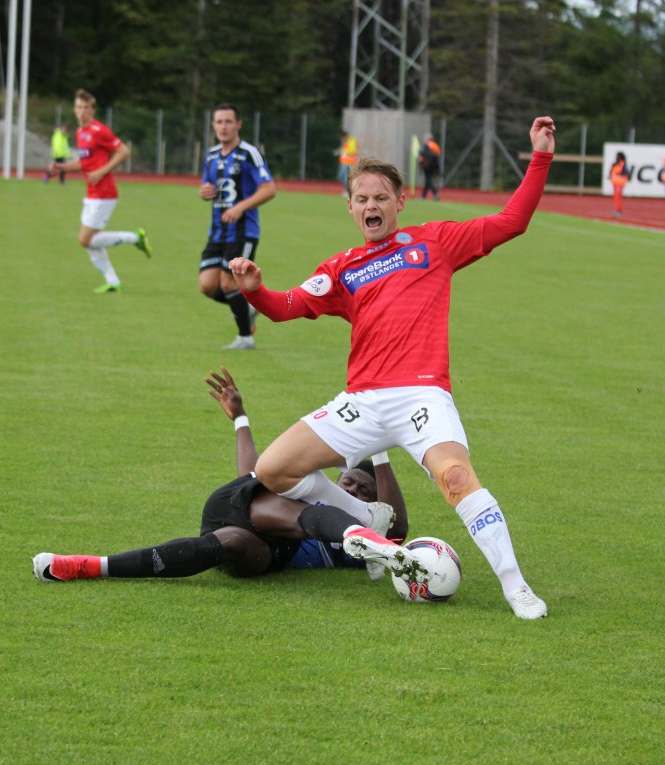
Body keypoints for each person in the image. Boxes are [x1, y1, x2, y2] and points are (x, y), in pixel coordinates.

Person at [227, 117, 559, 620]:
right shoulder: (341, 268)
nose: (371, 206)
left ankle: (517, 588)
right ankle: (367, 517)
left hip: (421, 395)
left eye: (381, 197)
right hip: (362, 401)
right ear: (350, 207)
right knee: (272, 470)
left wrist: (540, 156)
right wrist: (255, 291)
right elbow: (286, 305)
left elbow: (512, 221)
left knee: (456, 478)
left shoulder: (436, 242)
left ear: (400, 202)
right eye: (362, 199)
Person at [32, 368, 421, 584]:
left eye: (362, 490)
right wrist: (240, 419)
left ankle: (90, 565)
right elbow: (252, 473)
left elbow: (399, 525)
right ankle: (367, 530)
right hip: (240, 502)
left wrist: (379, 449)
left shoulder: (352, 548)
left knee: (232, 541)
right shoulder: (302, 488)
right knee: (288, 497)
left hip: (261, 549)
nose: (351, 486)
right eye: (348, 481)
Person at [49, 89, 153, 293]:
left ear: (93, 110)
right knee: (90, 242)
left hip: (104, 193)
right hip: (91, 194)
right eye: (78, 107)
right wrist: (61, 167)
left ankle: (135, 238)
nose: (82, 112)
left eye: (86, 108)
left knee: (84, 240)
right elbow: (84, 163)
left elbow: (124, 151)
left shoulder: (99, 130)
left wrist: (102, 170)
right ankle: (113, 282)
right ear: (74, 109)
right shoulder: (80, 133)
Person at [198, 104, 277, 350]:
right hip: (217, 231)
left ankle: (245, 338)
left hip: (243, 232)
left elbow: (269, 189)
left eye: (228, 122)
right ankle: (250, 307)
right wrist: (205, 192)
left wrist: (241, 207)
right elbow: (207, 188)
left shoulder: (249, 154)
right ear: (213, 125)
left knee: (228, 283)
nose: (223, 126)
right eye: (219, 122)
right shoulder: (211, 155)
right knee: (207, 285)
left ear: (238, 124)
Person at [419, 134, 442, 201]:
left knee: (428, 180)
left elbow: (423, 153)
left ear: (428, 139)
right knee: (427, 179)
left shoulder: (427, 145)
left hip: (427, 165)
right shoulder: (435, 145)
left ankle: (435, 194)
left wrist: (420, 151)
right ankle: (423, 196)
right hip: (434, 165)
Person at [336, 130, 359, 197]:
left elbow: (352, 150)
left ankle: (347, 191)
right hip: (344, 161)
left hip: (349, 161)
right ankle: (346, 190)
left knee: (345, 177)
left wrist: (344, 151)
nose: (342, 139)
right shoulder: (346, 141)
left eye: (342, 138)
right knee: (341, 176)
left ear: (345, 136)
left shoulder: (352, 140)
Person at [609, 151, 630, 218]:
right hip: (615, 182)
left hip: (620, 183)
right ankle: (616, 209)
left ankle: (618, 210)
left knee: (618, 197)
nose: (617, 157)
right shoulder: (615, 164)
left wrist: (621, 174)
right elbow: (612, 172)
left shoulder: (622, 164)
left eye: (618, 156)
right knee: (616, 197)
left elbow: (625, 172)